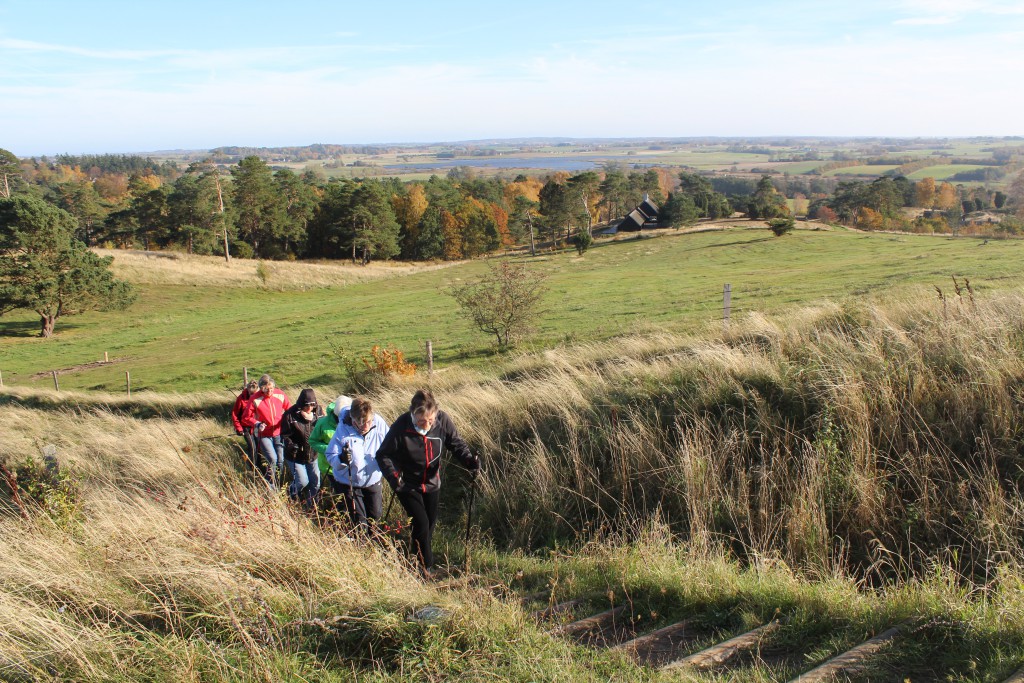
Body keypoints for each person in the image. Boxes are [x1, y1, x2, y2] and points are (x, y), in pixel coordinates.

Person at [375, 389, 479, 574]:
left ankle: (416, 558)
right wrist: (393, 475)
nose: (427, 425)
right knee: (421, 523)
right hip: (406, 484)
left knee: (429, 525)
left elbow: (456, 444)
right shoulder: (402, 425)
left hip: (432, 482)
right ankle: (426, 568)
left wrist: (469, 461)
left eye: (431, 420)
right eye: (422, 421)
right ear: (412, 414)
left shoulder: (443, 420)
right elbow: (383, 454)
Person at [325, 397, 387, 529]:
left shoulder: (379, 423)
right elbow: (330, 455)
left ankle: (374, 543)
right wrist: (341, 459)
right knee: (359, 520)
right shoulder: (342, 429)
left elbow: (390, 443)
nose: (366, 426)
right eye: (361, 423)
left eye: (369, 421)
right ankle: (361, 545)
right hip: (349, 482)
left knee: (376, 515)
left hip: (373, 479)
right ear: (353, 420)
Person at [242, 374, 291, 489]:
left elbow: (289, 409)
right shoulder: (255, 399)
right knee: (272, 459)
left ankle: (279, 484)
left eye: (271, 388)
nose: (269, 391)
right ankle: (270, 486)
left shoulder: (280, 394)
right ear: (261, 388)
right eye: (266, 389)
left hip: (279, 433)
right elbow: (246, 417)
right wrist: (257, 424)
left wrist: (286, 421)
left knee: (280, 460)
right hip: (264, 435)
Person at [281, 388, 324, 508]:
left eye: (312, 405)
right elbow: (284, 435)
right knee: (302, 481)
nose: (309, 408)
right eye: (306, 405)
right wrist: (290, 445)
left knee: (316, 482)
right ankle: (290, 494)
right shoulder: (290, 415)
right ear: (301, 404)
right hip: (295, 455)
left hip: (313, 454)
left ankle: (312, 506)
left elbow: (322, 429)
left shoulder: (319, 413)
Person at [310, 395, 352, 505]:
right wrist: (330, 449)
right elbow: (313, 442)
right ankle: (337, 513)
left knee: (347, 494)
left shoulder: (352, 420)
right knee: (339, 494)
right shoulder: (322, 423)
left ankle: (344, 514)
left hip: (348, 466)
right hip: (329, 465)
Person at [231, 380, 260, 474]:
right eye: (251, 394)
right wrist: (238, 428)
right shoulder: (241, 398)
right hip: (246, 427)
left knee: (259, 447)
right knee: (252, 447)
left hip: (257, 426)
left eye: (254, 394)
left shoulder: (260, 397)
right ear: (247, 390)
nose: (253, 396)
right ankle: (254, 469)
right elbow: (235, 414)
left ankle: (259, 466)